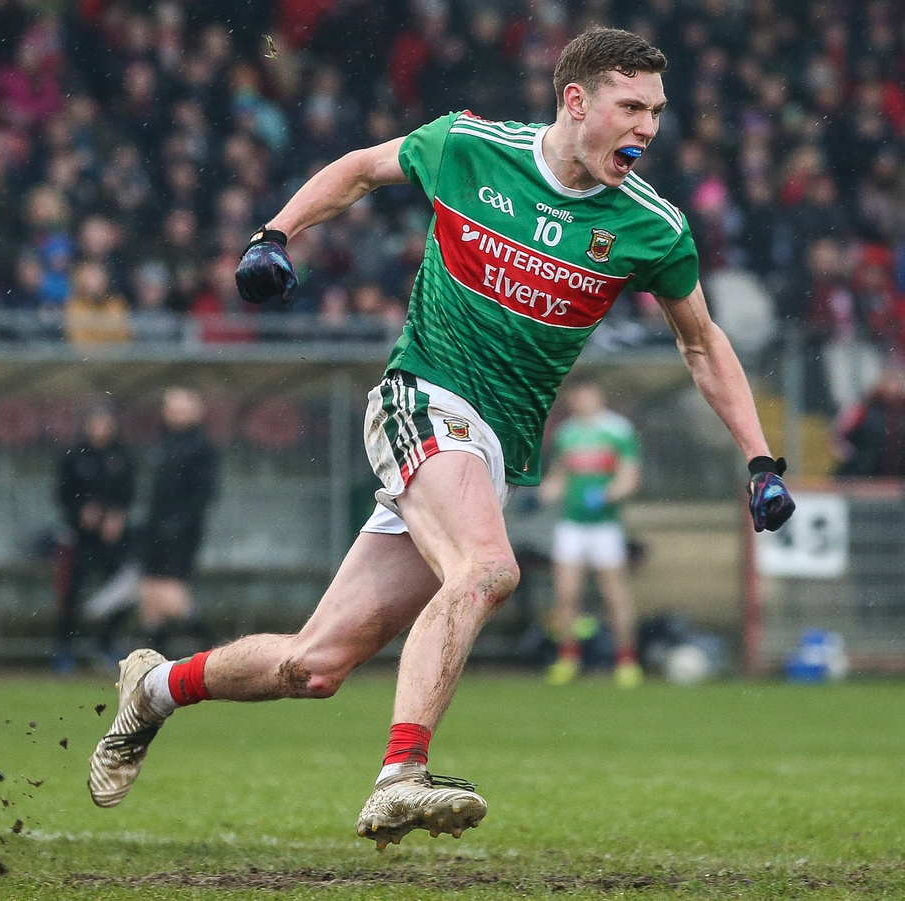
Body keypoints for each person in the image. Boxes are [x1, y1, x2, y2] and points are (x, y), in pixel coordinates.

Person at [88, 27, 795, 848]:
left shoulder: (651, 227)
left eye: (657, 112)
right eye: (630, 107)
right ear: (576, 101)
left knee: (313, 667)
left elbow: (703, 343)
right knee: (488, 567)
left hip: (484, 453)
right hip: (418, 399)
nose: (647, 129)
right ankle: (400, 775)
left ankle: (156, 688)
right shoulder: (466, 146)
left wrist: (758, 458)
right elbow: (358, 170)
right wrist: (273, 234)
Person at [537, 380, 643, 687]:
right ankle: (568, 657)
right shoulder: (566, 433)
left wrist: (607, 494)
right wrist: (544, 494)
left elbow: (629, 476)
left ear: (598, 396)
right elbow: (559, 476)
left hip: (605, 526)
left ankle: (626, 661)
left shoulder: (618, 430)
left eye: (587, 394)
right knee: (566, 594)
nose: (581, 400)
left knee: (614, 594)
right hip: (571, 525)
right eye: (576, 396)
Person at [128, 387, 219, 656]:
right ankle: (156, 657)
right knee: (148, 594)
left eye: (182, 408)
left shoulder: (202, 448)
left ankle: (210, 647)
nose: (175, 414)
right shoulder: (162, 443)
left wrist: (178, 524)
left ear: (196, 411)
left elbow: (203, 494)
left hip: (181, 533)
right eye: (172, 408)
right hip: (154, 529)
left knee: (170, 595)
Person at [54, 405, 135, 672]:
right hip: (80, 540)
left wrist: (117, 514)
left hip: (112, 542)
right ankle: (66, 650)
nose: (100, 430)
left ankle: (107, 643)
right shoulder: (74, 457)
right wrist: (80, 512)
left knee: (122, 592)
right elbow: (62, 495)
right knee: (71, 596)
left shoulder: (121, 456)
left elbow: (128, 493)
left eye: (105, 423)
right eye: (95, 423)